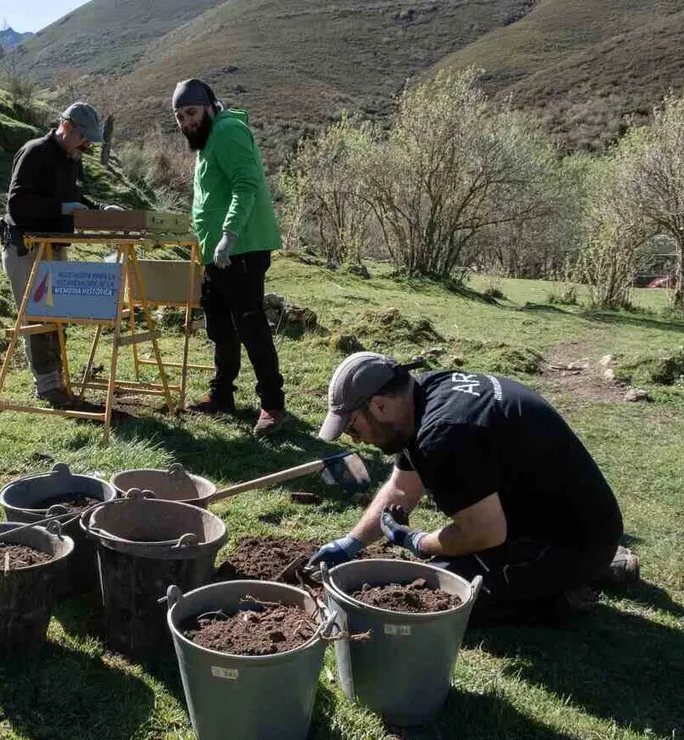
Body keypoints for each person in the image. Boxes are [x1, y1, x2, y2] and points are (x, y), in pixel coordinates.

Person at [308, 352, 640, 625]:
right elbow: (401, 487)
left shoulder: (445, 434)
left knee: (438, 595)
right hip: (553, 516)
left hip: (570, 541)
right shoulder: (424, 394)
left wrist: (417, 541)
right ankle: (585, 565)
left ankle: (563, 594)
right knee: (437, 572)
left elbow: (483, 533)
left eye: (353, 428)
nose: (356, 439)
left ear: (379, 405)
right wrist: (350, 543)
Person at [172, 78, 286, 437]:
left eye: (190, 112)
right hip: (216, 254)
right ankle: (222, 395)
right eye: (179, 116)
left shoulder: (229, 132)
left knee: (250, 326)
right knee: (220, 327)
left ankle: (273, 404)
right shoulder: (207, 141)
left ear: (208, 106)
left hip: (241, 249)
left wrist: (229, 235)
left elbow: (245, 184)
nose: (186, 122)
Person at [0, 102, 121, 407]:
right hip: (25, 248)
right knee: (38, 317)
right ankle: (49, 388)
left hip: (53, 247)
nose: (88, 145)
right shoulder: (34, 152)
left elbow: (75, 196)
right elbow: (18, 204)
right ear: (67, 127)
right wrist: (62, 209)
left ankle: (57, 383)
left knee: (58, 316)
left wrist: (99, 211)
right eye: (85, 138)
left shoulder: (72, 158)